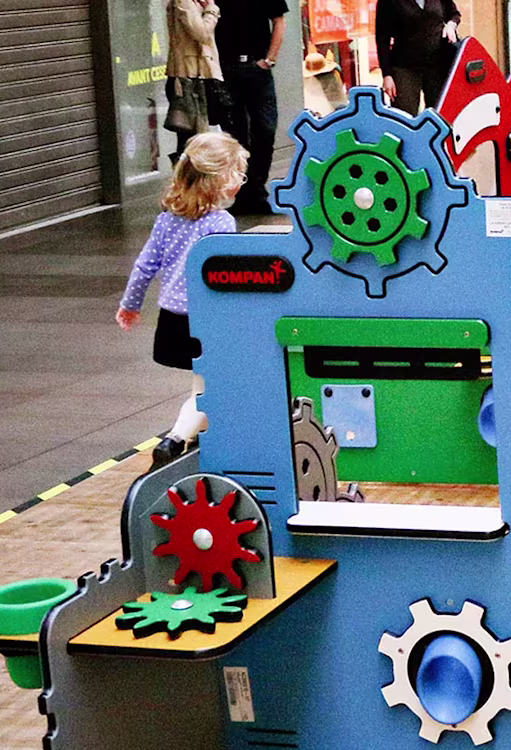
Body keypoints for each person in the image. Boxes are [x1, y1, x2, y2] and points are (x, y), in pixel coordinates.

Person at [116, 132, 249, 463]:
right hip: (206, 322)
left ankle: (203, 436)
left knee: (206, 384)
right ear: (219, 180)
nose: (242, 181)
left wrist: (130, 305)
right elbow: (224, 278)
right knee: (210, 389)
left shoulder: (167, 220)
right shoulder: (220, 223)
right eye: (238, 173)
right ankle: (176, 439)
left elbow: (144, 267)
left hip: (173, 323)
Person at [214, 0, 286, 215]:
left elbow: (279, 20)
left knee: (265, 129)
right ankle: (247, 193)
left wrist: (269, 59)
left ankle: (255, 190)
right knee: (235, 136)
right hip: (226, 68)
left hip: (257, 67)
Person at [376, 0, 461, 114]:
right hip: (404, 68)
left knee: (440, 115)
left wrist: (451, 25)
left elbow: (454, 14)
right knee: (404, 116)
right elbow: (382, 38)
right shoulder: (388, 2)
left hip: (437, 66)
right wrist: (387, 75)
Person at [166, 0, 224, 165]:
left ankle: (189, 174)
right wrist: (211, 10)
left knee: (196, 138)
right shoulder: (184, 2)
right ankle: (186, 175)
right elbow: (201, 33)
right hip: (187, 78)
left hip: (196, 76)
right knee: (190, 139)